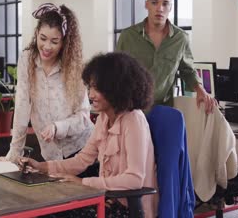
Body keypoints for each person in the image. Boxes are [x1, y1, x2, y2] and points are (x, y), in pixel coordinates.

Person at [20, 52, 157, 218]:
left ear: (116, 88)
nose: (90, 95)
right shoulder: (104, 118)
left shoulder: (133, 120)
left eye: (97, 88)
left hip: (128, 209)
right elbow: (82, 160)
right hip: (107, 199)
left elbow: (134, 179)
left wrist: (84, 182)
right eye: (90, 87)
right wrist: (43, 167)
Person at [3, 3, 94, 162]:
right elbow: (22, 107)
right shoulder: (27, 60)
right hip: (51, 155)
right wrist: (14, 152)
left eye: (54, 41)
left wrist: (58, 127)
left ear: (64, 42)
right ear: (36, 33)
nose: (46, 47)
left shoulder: (73, 66)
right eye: (42, 38)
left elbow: (84, 117)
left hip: (82, 148)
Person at [116, 0, 216, 113]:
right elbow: (116, 73)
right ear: (146, 5)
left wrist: (201, 91)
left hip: (163, 111)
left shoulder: (180, 39)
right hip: (131, 111)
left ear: (170, 7)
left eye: (165, 3)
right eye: (154, 2)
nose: (160, 8)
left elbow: (188, 71)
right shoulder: (128, 36)